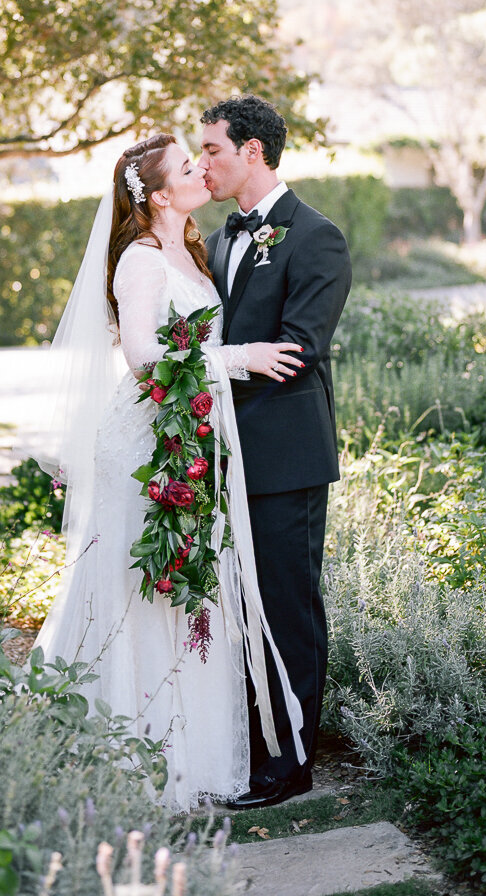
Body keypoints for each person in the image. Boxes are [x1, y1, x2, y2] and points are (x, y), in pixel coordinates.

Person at [33, 132, 306, 812]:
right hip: (144, 448)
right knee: (143, 587)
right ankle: (131, 755)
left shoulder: (190, 251)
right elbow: (143, 361)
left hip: (185, 441)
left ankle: (195, 752)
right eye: (187, 167)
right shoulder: (141, 259)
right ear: (157, 195)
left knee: (186, 590)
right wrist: (238, 359)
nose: (200, 171)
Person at [199, 96, 352, 810]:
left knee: (286, 609)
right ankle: (250, 744)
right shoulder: (222, 236)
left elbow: (295, 353)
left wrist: (215, 365)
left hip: (285, 459)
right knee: (237, 609)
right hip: (225, 454)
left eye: (212, 151)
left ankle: (289, 766)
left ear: (251, 151)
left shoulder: (315, 237)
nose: (204, 164)